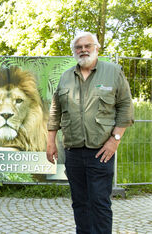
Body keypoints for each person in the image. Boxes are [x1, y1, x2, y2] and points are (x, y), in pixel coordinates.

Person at [46, 32, 134, 234]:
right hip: (74, 152)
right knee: (80, 203)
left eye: (87, 45)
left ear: (97, 47)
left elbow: (125, 107)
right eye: (78, 47)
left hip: (101, 151)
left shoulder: (113, 72)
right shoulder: (66, 76)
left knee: (99, 204)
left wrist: (115, 140)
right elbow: (55, 110)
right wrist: (51, 141)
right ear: (74, 51)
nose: (83, 50)